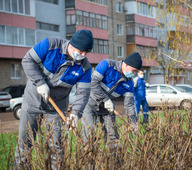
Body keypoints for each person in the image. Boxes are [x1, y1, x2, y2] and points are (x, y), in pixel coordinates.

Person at [14, 29, 94, 168]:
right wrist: (40, 82)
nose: (83, 56)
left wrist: (75, 114)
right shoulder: (51, 44)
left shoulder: (85, 67)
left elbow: (83, 93)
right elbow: (28, 60)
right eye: (81, 52)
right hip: (32, 101)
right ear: (72, 44)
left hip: (57, 108)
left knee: (56, 146)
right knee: (25, 143)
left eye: (86, 53)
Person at [82, 52, 142, 149]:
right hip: (90, 103)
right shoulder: (106, 64)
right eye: (133, 70)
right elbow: (93, 83)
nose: (133, 74)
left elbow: (129, 105)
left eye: (135, 72)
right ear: (126, 64)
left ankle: (114, 162)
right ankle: (89, 161)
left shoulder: (129, 83)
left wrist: (133, 122)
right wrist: (105, 99)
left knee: (113, 136)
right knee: (89, 133)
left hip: (107, 109)